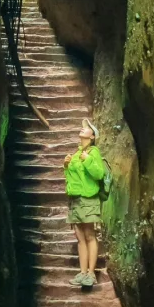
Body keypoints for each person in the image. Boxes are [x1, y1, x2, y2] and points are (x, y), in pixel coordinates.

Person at [63, 117, 106, 289]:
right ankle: (82, 272)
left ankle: (91, 274)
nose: (82, 129)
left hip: (89, 200)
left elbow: (99, 174)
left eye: (87, 128)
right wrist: (66, 167)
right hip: (75, 200)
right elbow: (72, 178)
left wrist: (87, 158)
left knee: (90, 236)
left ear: (93, 136)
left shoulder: (93, 152)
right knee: (80, 238)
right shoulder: (76, 153)